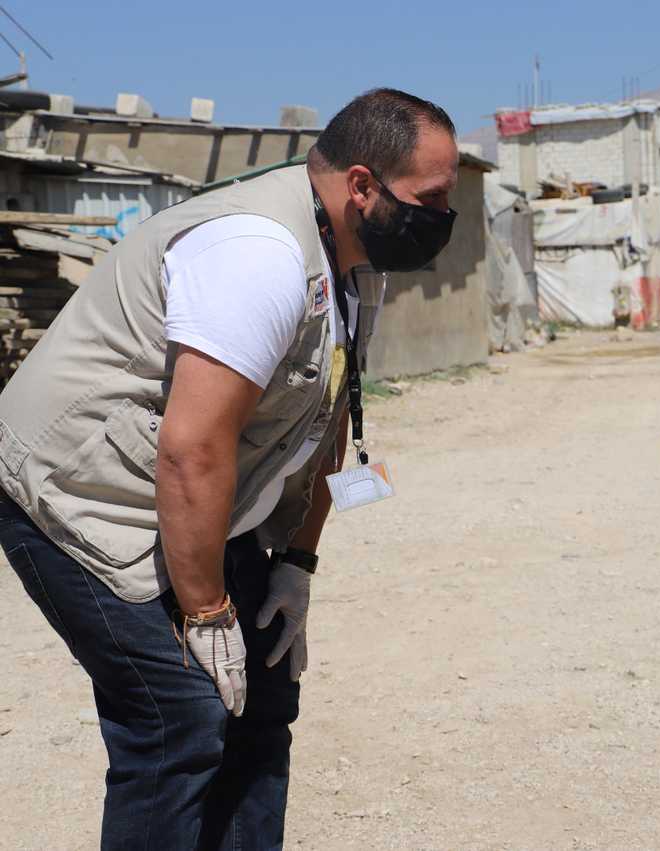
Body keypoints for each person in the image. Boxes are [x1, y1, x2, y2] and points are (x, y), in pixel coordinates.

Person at [0, 88, 458, 850]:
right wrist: (209, 612)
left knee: (264, 692)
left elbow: (326, 420)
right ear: (362, 186)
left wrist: (298, 565)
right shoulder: (260, 255)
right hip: (74, 494)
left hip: (188, 495)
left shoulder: (350, 265)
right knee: (179, 712)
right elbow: (193, 447)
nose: (443, 217)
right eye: (432, 198)